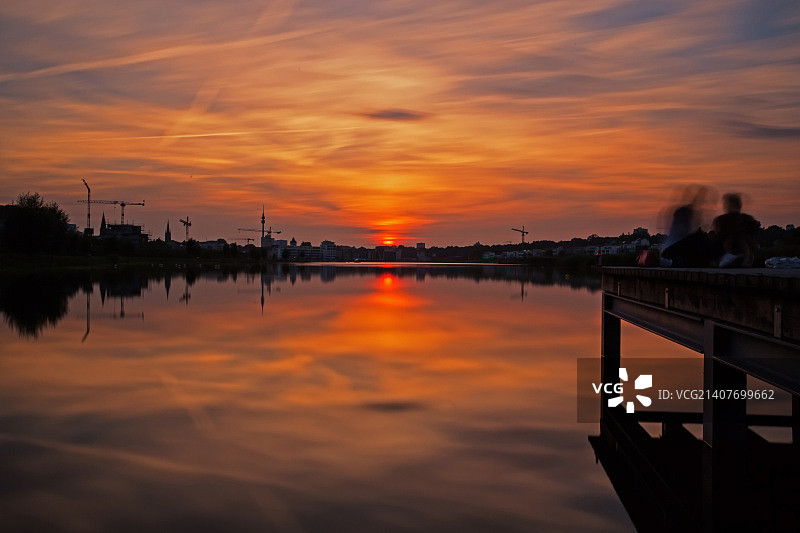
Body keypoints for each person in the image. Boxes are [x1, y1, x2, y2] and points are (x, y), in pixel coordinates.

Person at [661, 186, 713, 267]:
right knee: (700, 236)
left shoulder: (690, 212)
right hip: (672, 251)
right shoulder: (683, 212)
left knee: (700, 237)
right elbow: (687, 232)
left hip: (673, 250)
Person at [710, 193, 760, 267]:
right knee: (730, 238)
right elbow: (715, 237)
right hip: (723, 252)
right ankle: (729, 257)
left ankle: (745, 259)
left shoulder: (747, 219)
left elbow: (753, 239)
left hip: (743, 251)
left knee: (739, 238)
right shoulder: (720, 220)